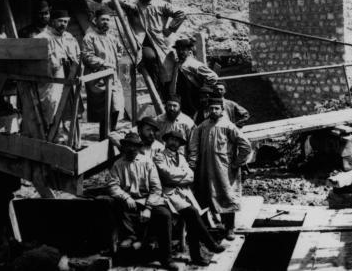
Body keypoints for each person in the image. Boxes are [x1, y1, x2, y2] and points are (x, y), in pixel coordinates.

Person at [108, 132, 178, 271]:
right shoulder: (118, 164)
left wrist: (148, 208)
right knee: (113, 203)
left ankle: (166, 258)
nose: (131, 149)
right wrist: (126, 197)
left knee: (165, 215)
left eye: (134, 146)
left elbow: (156, 188)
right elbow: (112, 185)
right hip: (128, 201)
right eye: (128, 146)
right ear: (124, 147)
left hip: (147, 199)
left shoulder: (147, 162)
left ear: (138, 147)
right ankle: (131, 237)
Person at [154, 131, 225, 266]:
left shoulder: (181, 157)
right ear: (166, 141)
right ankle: (209, 245)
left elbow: (191, 176)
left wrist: (179, 177)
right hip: (168, 194)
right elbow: (167, 175)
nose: (174, 143)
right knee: (192, 213)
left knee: (193, 216)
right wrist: (182, 177)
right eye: (172, 140)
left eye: (178, 141)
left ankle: (197, 255)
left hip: (184, 192)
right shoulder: (159, 156)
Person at [188, 97, 252, 241]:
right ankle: (214, 225)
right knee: (207, 194)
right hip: (205, 168)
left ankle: (229, 228)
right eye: (211, 108)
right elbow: (193, 145)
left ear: (222, 110)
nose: (214, 111)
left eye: (217, 108)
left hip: (224, 169)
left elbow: (245, 145)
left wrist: (237, 163)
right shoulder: (202, 126)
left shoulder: (228, 126)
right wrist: (193, 163)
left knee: (227, 195)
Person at [114, 0, 186, 97]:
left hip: (160, 41)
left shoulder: (161, 5)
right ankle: (156, 89)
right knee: (149, 57)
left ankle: (169, 94)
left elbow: (181, 14)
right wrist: (119, 1)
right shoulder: (135, 3)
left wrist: (170, 29)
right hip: (142, 41)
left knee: (168, 67)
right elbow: (115, 4)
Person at [81, 7, 124, 137]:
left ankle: (112, 132)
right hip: (98, 79)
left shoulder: (112, 37)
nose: (106, 22)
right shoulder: (90, 37)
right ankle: (104, 137)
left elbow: (120, 50)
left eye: (108, 20)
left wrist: (115, 59)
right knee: (104, 110)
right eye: (103, 20)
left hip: (113, 78)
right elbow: (87, 56)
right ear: (96, 20)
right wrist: (104, 63)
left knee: (117, 106)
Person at [35, 10, 80, 127]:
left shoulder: (69, 37)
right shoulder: (42, 38)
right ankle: (52, 137)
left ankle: (69, 141)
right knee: (52, 106)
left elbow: (77, 56)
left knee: (70, 109)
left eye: (66, 22)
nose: (63, 24)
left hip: (69, 77)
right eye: (60, 21)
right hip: (51, 80)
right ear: (52, 21)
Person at [169, 38, 218, 117]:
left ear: (189, 50)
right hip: (181, 96)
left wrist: (204, 89)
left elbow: (213, 76)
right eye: (178, 50)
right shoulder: (178, 63)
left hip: (192, 96)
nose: (180, 52)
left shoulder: (193, 63)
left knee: (194, 115)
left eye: (183, 49)